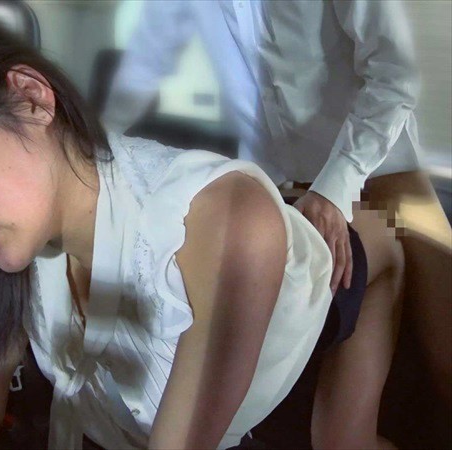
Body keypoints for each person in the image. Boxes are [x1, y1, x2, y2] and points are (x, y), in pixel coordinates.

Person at [0, 6, 403, 450]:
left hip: (336, 263)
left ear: (30, 99)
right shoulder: (4, 240)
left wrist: (336, 189)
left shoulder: (227, 223)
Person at [104, 0, 452, 408]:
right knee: (325, 421)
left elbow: (396, 77)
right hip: (284, 195)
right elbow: (142, 69)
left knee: (444, 355)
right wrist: (88, 154)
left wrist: (333, 188)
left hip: (383, 174)